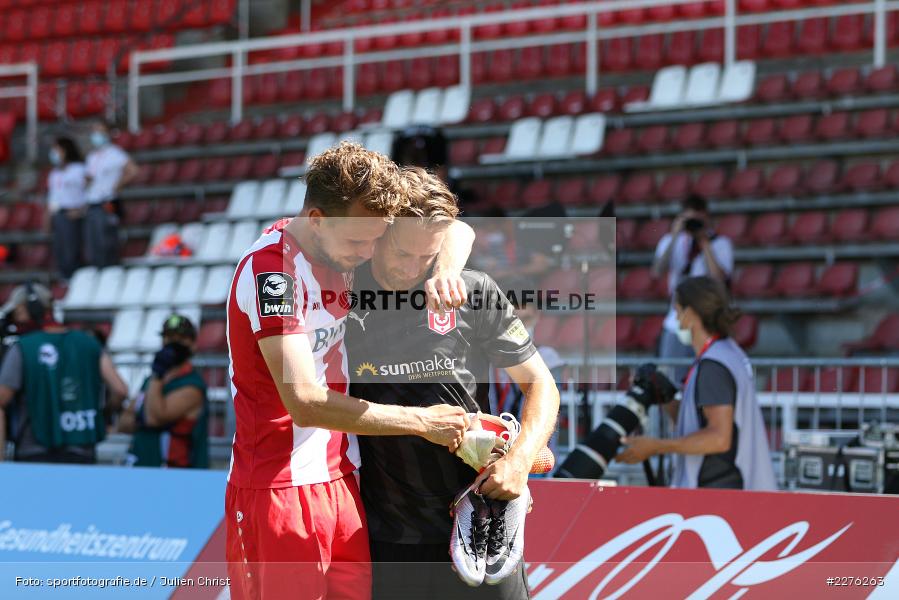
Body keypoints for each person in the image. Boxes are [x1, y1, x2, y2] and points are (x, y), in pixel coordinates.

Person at [224, 142, 476, 600]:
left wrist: (445, 271)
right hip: (279, 489)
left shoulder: (345, 245)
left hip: (344, 482)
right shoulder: (272, 273)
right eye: (359, 242)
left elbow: (455, 229)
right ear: (317, 220)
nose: (367, 254)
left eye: (376, 239)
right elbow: (304, 402)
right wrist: (422, 422)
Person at [345, 168, 560, 599]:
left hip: (481, 520)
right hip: (387, 535)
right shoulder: (342, 293)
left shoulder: (472, 290)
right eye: (402, 253)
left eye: (425, 257)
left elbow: (541, 386)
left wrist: (519, 461)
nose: (411, 269)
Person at [616, 276, 776, 491]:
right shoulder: (726, 353)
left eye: (678, 311)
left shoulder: (713, 366)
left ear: (691, 315)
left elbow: (719, 438)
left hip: (720, 491)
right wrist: (666, 397)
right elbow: (702, 422)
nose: (677, 320)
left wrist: (657, 447)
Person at [0, 283, 129, 464]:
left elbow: (2, 400)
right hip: (83, 447)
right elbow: (120, 390)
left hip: (34, 450)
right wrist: (102, 414)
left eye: (17, 314)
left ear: (27, 309)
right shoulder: (89, 343)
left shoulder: (23, 347)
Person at [651, 195, 733, 383]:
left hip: (708, 321)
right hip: (676, 320)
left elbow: (720, 278)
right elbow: (657, 270)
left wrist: (704, 243)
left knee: (707, 379)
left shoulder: (720, 244)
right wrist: (674, 235)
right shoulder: (670, 241)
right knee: (670, 379)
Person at [119, 314, 208, 468]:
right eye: (168, 337)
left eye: (180, 338)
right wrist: (142, 419)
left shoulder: (192, 385)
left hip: (172, 472)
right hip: (141, 465)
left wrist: (157, 376)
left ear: (193, 344)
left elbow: (154, 418)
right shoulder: (151, 380)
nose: (173, 342)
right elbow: (123, 422)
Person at [84, 121, 139, 267]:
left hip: (107, 201)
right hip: (93, 202)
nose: (96, 135)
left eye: (100, 132)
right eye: (94, 131)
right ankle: (98, 268)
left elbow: (133, 170)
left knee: (106, 240)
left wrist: (117, 185)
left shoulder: (115, 153)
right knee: (94, 241)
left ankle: (109, 268)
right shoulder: (92, 156)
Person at [46, 136, 88, 280]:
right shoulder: (54, 173)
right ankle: (65, 280)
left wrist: (82, 209)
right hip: (59, 215)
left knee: (73, 252)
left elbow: (91, 190)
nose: (54, 153)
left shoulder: (80, 169)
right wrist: (48, 218)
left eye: (56, 150)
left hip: (75, 215)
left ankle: (76, 280)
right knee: (60, 252)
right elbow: (53, 198)